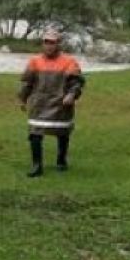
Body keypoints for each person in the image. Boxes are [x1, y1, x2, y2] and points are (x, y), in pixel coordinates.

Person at [18, 30, 85, 177]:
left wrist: (72, 94)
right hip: (39, 104)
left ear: (58, 44)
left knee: (62, 133)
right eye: (46, 42)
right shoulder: (34, 61)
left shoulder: (69, 62)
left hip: (61, 104)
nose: (48, 45)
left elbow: (77, 82)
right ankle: (37, 165)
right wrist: (23, 98)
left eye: (52, 42)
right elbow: (27, 82)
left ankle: (61, 160)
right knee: (35, 133)